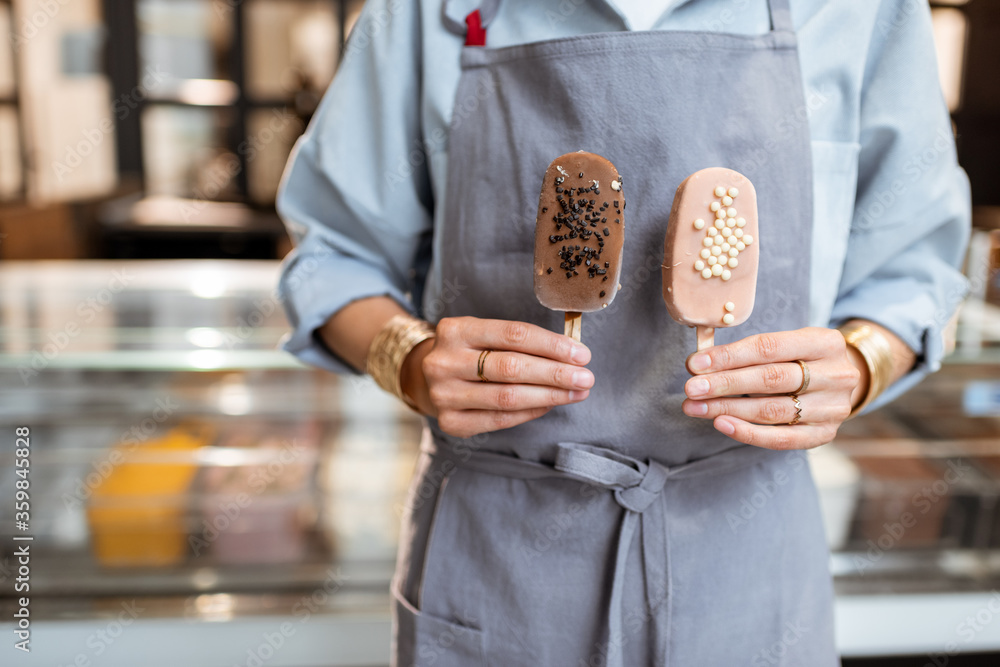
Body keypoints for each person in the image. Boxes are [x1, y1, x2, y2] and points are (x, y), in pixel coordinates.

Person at [275, 0, 971, 664]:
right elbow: (333, 258)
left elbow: (916, 271)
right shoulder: (420, 11)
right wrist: (407, 355)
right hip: (499, 566)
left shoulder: (869, 10)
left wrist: (861, 360)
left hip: (750, 566)